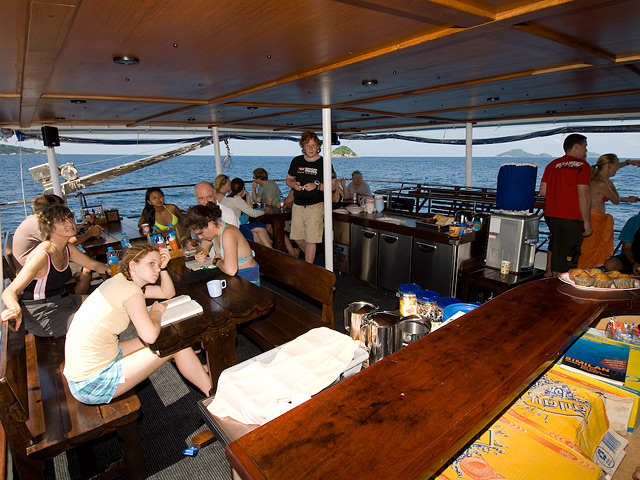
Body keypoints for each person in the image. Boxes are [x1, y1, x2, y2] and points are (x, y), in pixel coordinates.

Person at [63, 244, 211, 405]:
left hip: (87, 366)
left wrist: (163, 268)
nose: (156, 268)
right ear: (133, 265)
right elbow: (150, 336)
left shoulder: (120, 282)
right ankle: (213, 393)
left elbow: (167, 293)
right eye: (151, 264)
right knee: (173, 343)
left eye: (158, 263)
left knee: (171, 339)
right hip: (92, 383)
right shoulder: (131, 291)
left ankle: (197, 370)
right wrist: (156, 313)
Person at [1, 205, 109, 338]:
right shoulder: (42, 256)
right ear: (50, 227)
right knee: (99, 322)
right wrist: (14, 309)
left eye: (70, 218)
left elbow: (95, 265)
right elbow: (10, 291)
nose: (70, 223)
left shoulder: (66, 248)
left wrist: (115, 270)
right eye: (62, 221)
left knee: (107, 303)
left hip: (63, 300)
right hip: (44, 314)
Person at [12, 194, 105, 293]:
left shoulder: (34, 220)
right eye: (61, 219)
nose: (70, 223)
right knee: (86, 270)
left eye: (70, 219)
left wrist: (80, 227)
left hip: (48, 268)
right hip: (36, 273)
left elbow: (64, 243)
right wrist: (89, 234)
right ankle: (80, 296)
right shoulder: (39, 231)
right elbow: (68, 242)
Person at [539, 134, 592, 276]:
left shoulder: (551, 165)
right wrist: (587, 221)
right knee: (569, 258)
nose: (586, 151)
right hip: (572, 218)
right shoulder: (583, 166)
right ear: (577, 147)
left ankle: (554, 288)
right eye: (585, 147)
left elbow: (543, 191)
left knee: (557, 257)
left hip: (552, 217)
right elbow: (584, 195)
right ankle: (563, 292)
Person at [578, 154, 640, 268]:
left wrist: (628, 163)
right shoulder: (603, 183)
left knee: (588, 252)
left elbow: (603, 196)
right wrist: (611, 185)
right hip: (594, 222)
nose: (617, 169)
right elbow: (615, 200)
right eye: (616, 166)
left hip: (592, 219)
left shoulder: (595, 178)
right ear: (609, 166)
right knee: (588, 254)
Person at [185, 203, 261, 285]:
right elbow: (202, 248)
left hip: (246, 279)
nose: (200, 237)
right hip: (231, 276)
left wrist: (216, 261)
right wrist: (199, 254)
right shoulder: (212, 233)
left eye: (201, 233)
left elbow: (231, 270)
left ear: (210, 224)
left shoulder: (228, 234)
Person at [286, 131, 327, 264]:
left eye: (313, 145)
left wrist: (316, 185)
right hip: (297, 205)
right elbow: (288, 179)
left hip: (315, 205)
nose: (310, 148)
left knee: (311, 241)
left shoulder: (324, 162)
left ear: (318, 147)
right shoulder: (296, 161)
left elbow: (332, 186)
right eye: (307, 145)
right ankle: (313, 262)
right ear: (302, 146)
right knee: (297, 238)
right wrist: (293, 184)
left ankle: (309, 269)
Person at [221, 178, 273, 247]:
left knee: (261, 229)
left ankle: (269, 251)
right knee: (263, 234)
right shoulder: (237, 199)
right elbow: (253, 214)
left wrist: (247, 196)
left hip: (227, 227)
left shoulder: (226, 197)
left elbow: (249, 210)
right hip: (235, 228)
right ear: (243, 188)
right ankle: (270, 251)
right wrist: (265, 211)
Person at [604, 210, 640, 274]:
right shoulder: (635, 221)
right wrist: (633, 262)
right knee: (611, 264)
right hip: (633, 258)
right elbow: (626, 248)